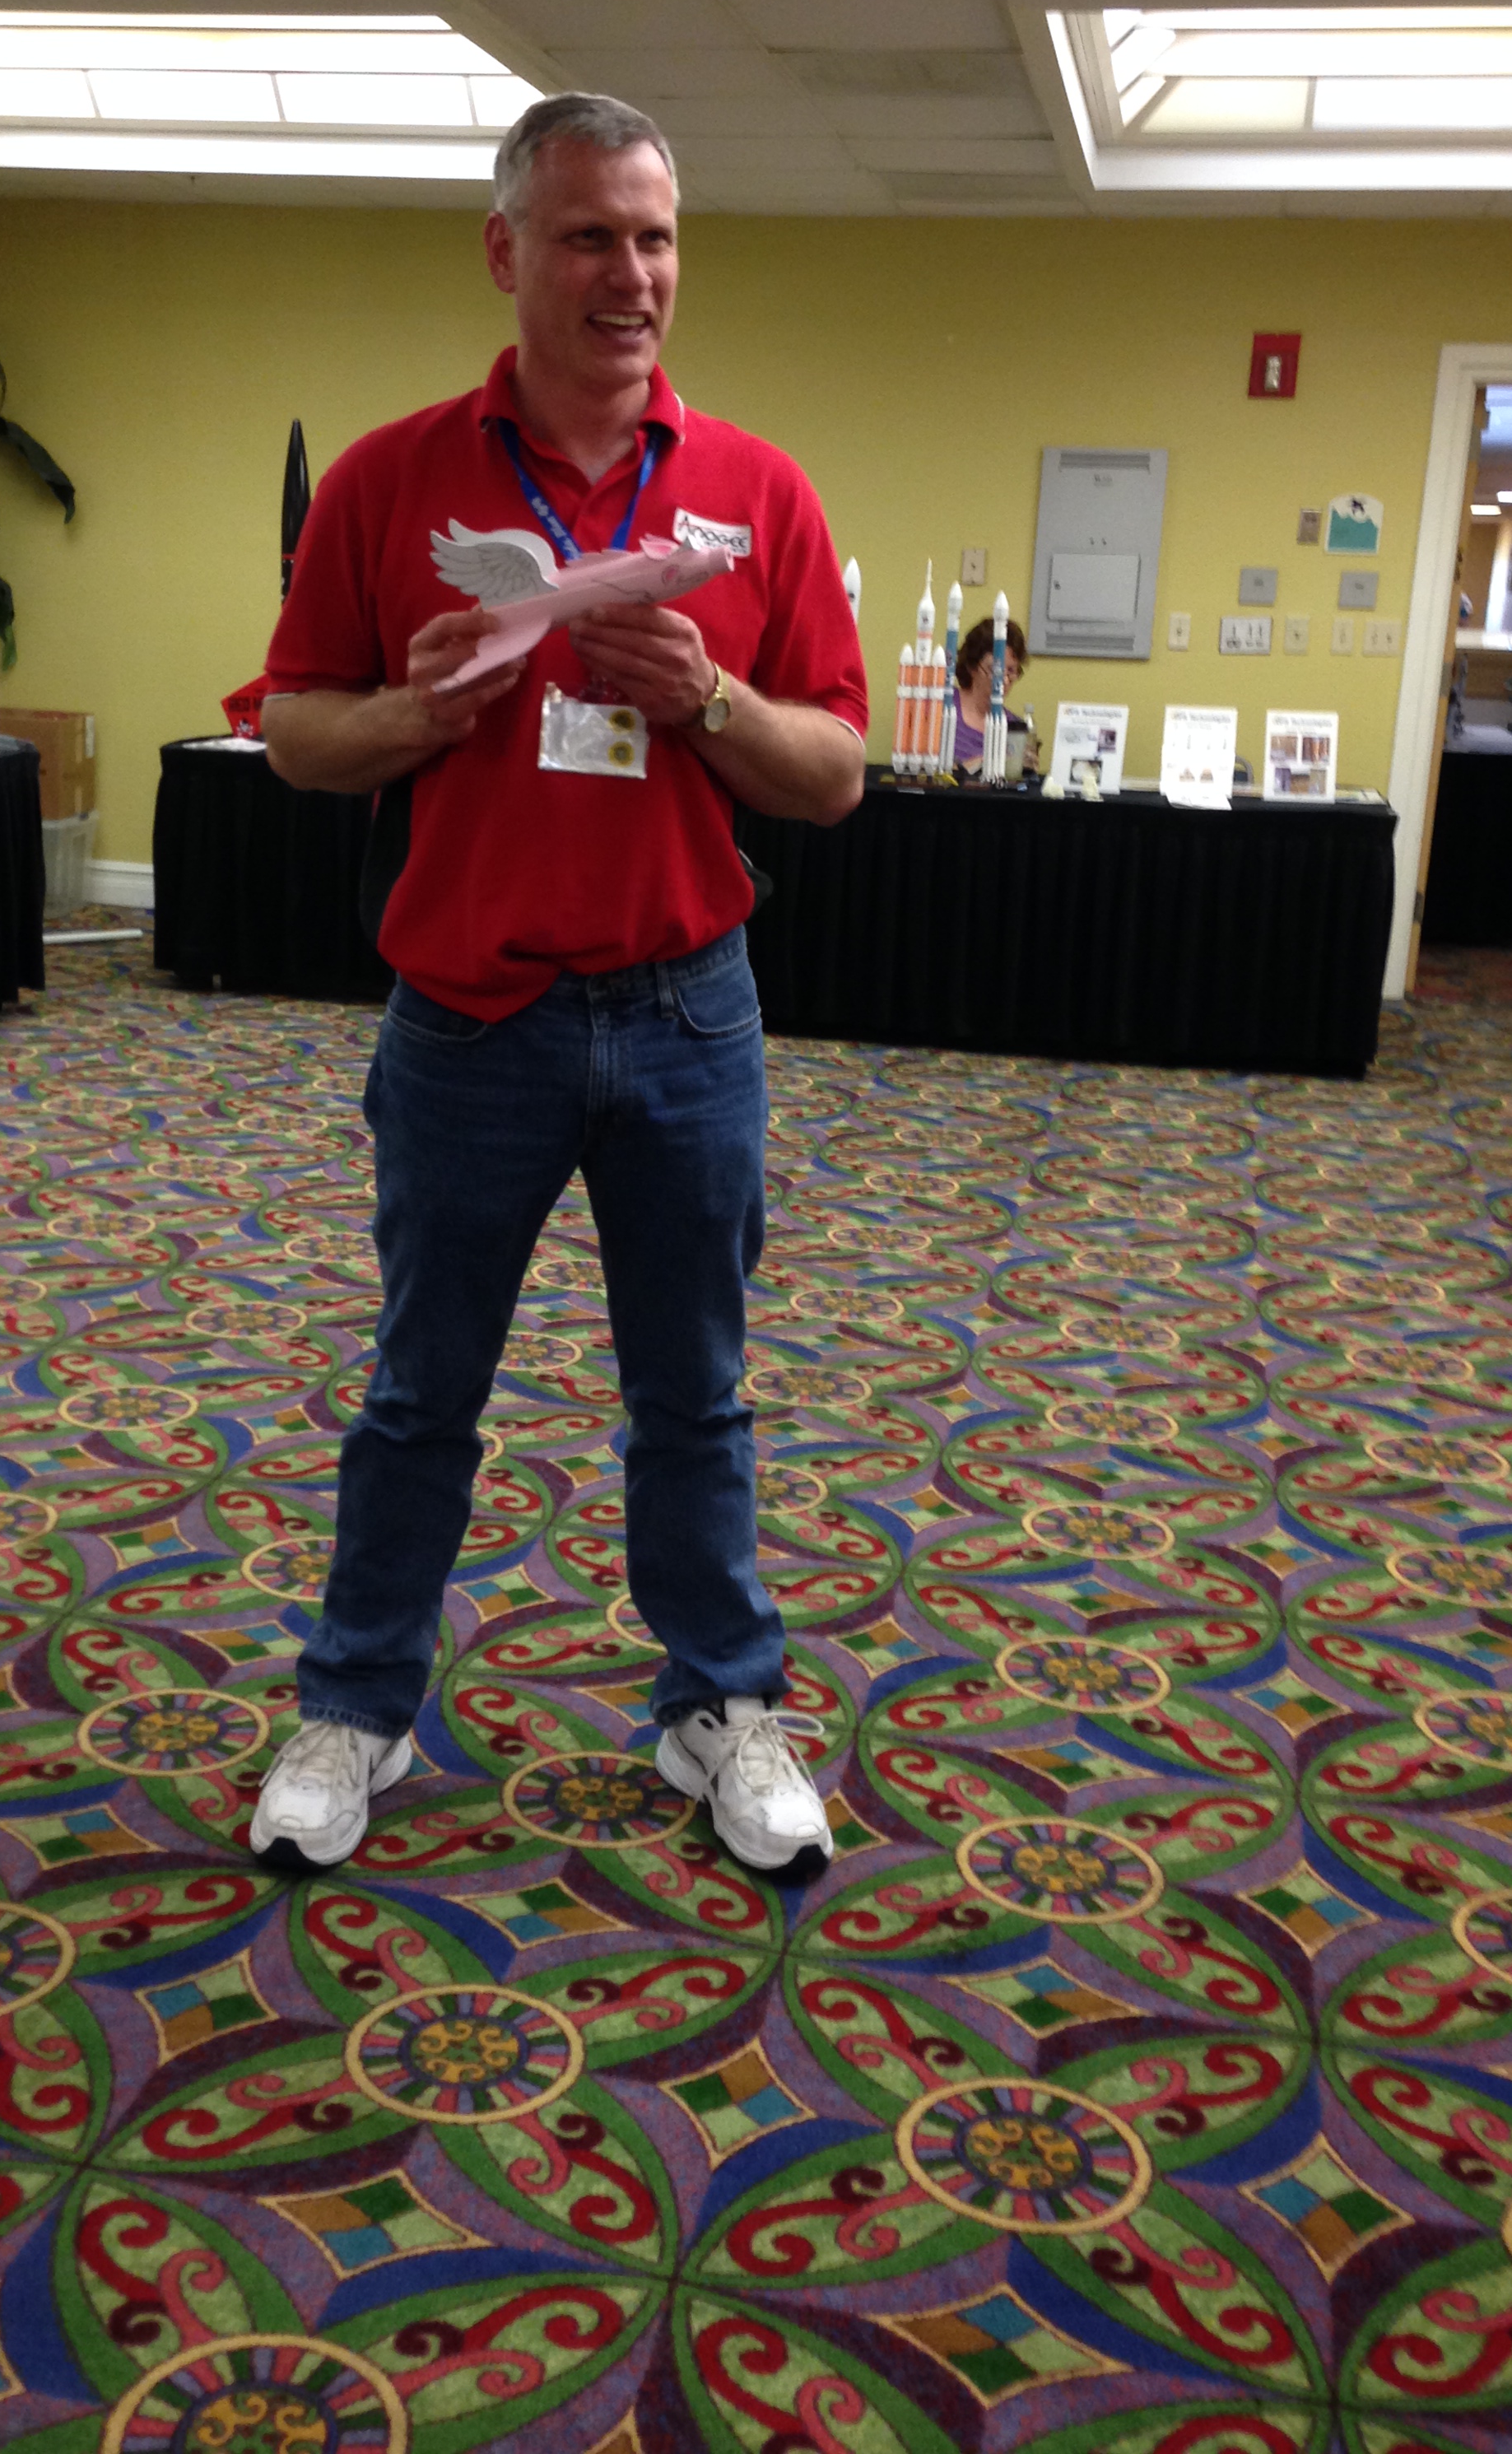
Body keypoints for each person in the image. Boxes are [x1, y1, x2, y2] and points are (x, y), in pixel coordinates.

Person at [249, 91, 868, 1879]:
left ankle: (719, 1704)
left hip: (689, 1012)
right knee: (418, 1391)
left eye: (656, 237)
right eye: (592, 234)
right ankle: (358, 1705)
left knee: (697, 1394)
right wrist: (413, 714)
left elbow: (834, 773)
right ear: (507, 251)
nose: (632, 273)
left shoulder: (756, 491)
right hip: (468, 1017)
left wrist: (705, 699)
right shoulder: (388, 479)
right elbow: (292, 731)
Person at [949, 615, 1030, 773]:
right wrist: (969, 768)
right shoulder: (943, 706)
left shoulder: (1015, 728)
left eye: (1011, 671)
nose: (1004, 680)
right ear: (972, 666)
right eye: (995, 670)